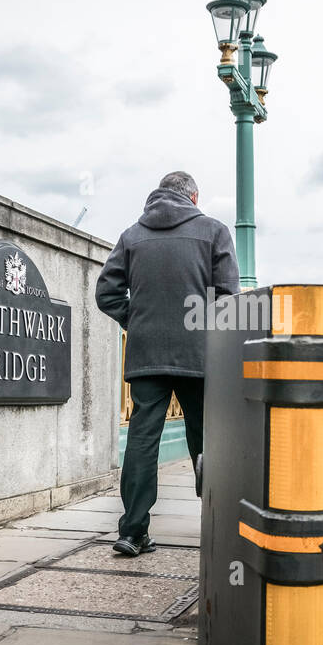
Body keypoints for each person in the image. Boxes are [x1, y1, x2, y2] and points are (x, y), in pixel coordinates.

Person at [95, 171, 239, 557]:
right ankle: (217, 525)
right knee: (208, 440)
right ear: (193, 197)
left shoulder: (132, 235)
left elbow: (106, 292)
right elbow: (228, 299)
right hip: (200, 355)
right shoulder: (214, 231)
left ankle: (132, 531)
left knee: (142, 439)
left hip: (146, 356)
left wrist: (135, 321)